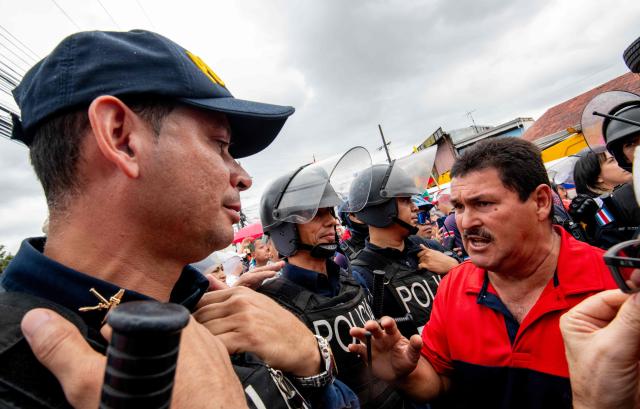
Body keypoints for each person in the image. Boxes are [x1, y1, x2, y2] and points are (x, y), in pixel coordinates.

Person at [0, 29, 357, 408]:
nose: (243, 176)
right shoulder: (13, 370)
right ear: (121, 138)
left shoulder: (222, 307)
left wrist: (311, 360)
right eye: (220, 145)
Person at [349, 138, 617, 409]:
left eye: (484, 204)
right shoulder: (454, 286)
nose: (466, 222)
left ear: (541, 201)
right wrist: (403, 374)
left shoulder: (615, 284)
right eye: (459, 207)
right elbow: (438, 382)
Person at [256, 157, 403, 408]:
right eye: (315, 214)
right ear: (285, 230)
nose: (332, 221)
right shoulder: (272, 306)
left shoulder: (352, 279)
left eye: (330, 212)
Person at [349, 164, 458, 337]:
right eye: (405, 200)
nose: (415, 208)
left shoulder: (430, 247)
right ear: (382, 209)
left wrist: (455, 269)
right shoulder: (361, 273)